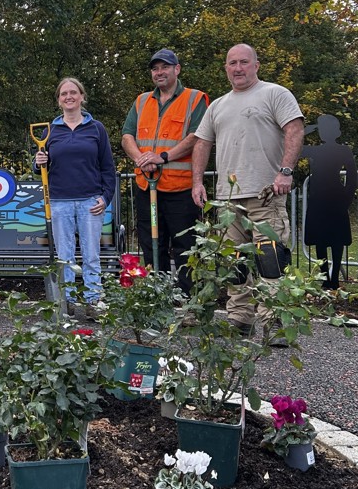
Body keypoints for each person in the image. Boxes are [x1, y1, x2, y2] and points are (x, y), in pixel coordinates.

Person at [191, 43, 304, 347]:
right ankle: (240, 317)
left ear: (256, 65)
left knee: (271, 259)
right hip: (228, 198)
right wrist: (197, 181)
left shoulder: (275, 94)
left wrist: (286, 171)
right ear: (226, 68)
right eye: (232, 63)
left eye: (244, 62)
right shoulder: (218, 105)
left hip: (265, 192)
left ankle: (274, 322)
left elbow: (294, 129)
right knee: (235, 261)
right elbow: (202, 143)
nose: (238, 68)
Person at [121, 49, 208, 295]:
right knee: (151, 245)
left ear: (177, 69)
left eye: (165, 67)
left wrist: (163, 157)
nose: (159, 72)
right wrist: (140, 159)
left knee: (185, 246)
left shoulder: (194, 99)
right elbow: (127, 136)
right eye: (155, 68)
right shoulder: (141, 101)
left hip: (180, 189)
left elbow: (197, 136)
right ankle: (156, 295)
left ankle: (188, 297)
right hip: (147, 187)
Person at [34, 77, 116, 318]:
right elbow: (40, 167)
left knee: (91, 255)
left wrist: (106, 197)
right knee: (65, 256)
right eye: (64, 94)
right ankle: (66, 300)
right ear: (59, 100)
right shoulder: (50, 131)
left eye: (73, 92)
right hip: (59, 201)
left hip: (90, 200)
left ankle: (93, 300)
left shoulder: (96, 128)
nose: (68, 97)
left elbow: (107, 167)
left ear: (82, 97)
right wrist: (38, 162)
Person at [302, 114, 358, 290]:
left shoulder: (343, 151)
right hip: (321, 198)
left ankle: (333, 279)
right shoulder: (316, 150)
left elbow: (352, 176)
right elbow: (296, 147)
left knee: (336, 239)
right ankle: (326, 278)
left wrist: (347, 197)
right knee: (321, 238)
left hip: (334, 197)